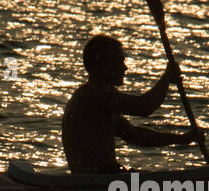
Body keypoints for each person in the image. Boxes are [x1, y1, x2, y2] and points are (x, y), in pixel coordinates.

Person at [61, 34, 199, 173]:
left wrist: (180, 139)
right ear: (102, 64)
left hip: (102, 180)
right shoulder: (96, 94)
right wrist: (167, 78)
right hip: (98, 182)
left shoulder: (91, 98)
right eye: (119, 61)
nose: (125, 68)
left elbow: (135, 135)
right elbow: (144, 107)